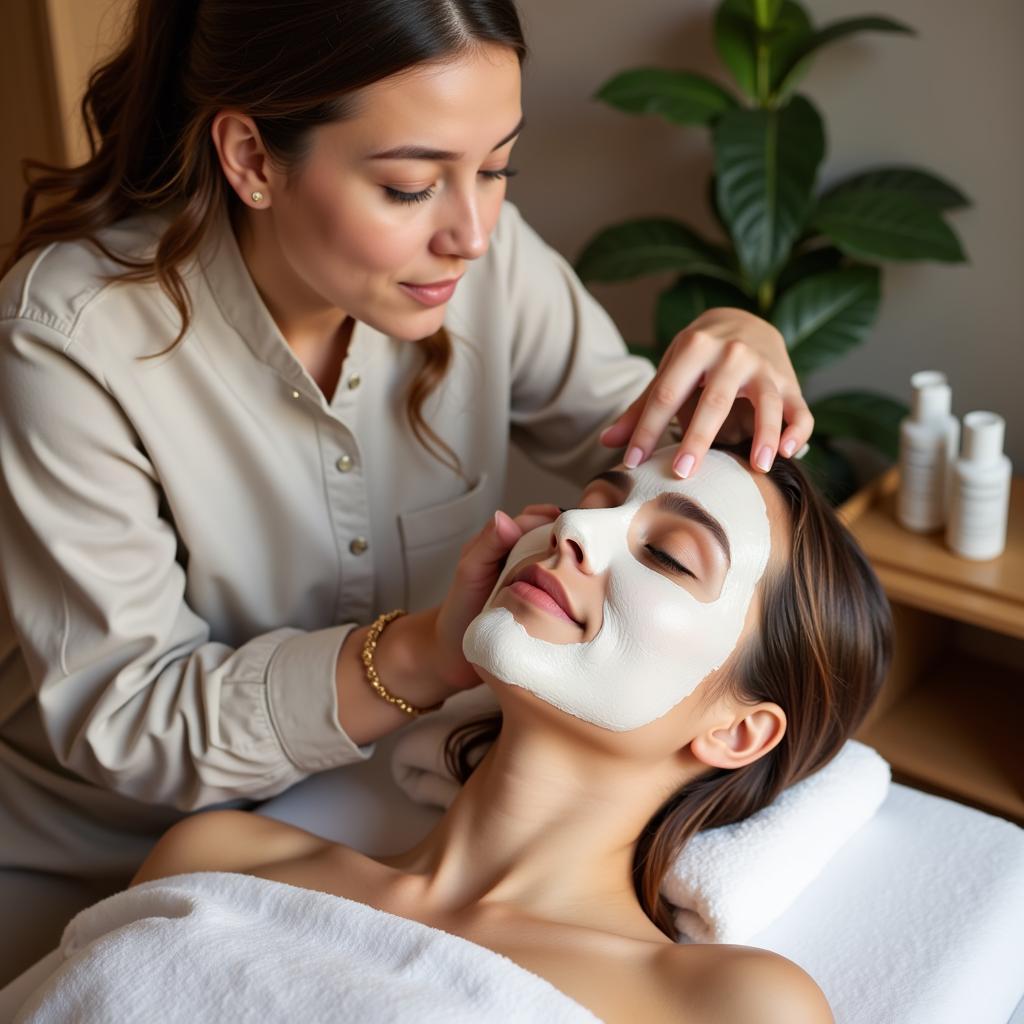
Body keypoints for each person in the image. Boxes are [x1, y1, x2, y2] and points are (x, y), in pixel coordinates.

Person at [0, 0, 814, 977]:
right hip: (82, 841)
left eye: (497, 167)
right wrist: (422, 653)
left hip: (353, 812)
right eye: (409, 186)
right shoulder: (72, 337)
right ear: (253, 158)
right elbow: (130, 718)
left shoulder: (487, 267)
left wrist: (742, 350)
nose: (471, 235)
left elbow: (658, 459)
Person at [6, 445, 889, 1022]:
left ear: (739, 733)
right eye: (592, 499)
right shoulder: (219, 857)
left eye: (665, 554)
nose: (576, 528)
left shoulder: (732, 1005)